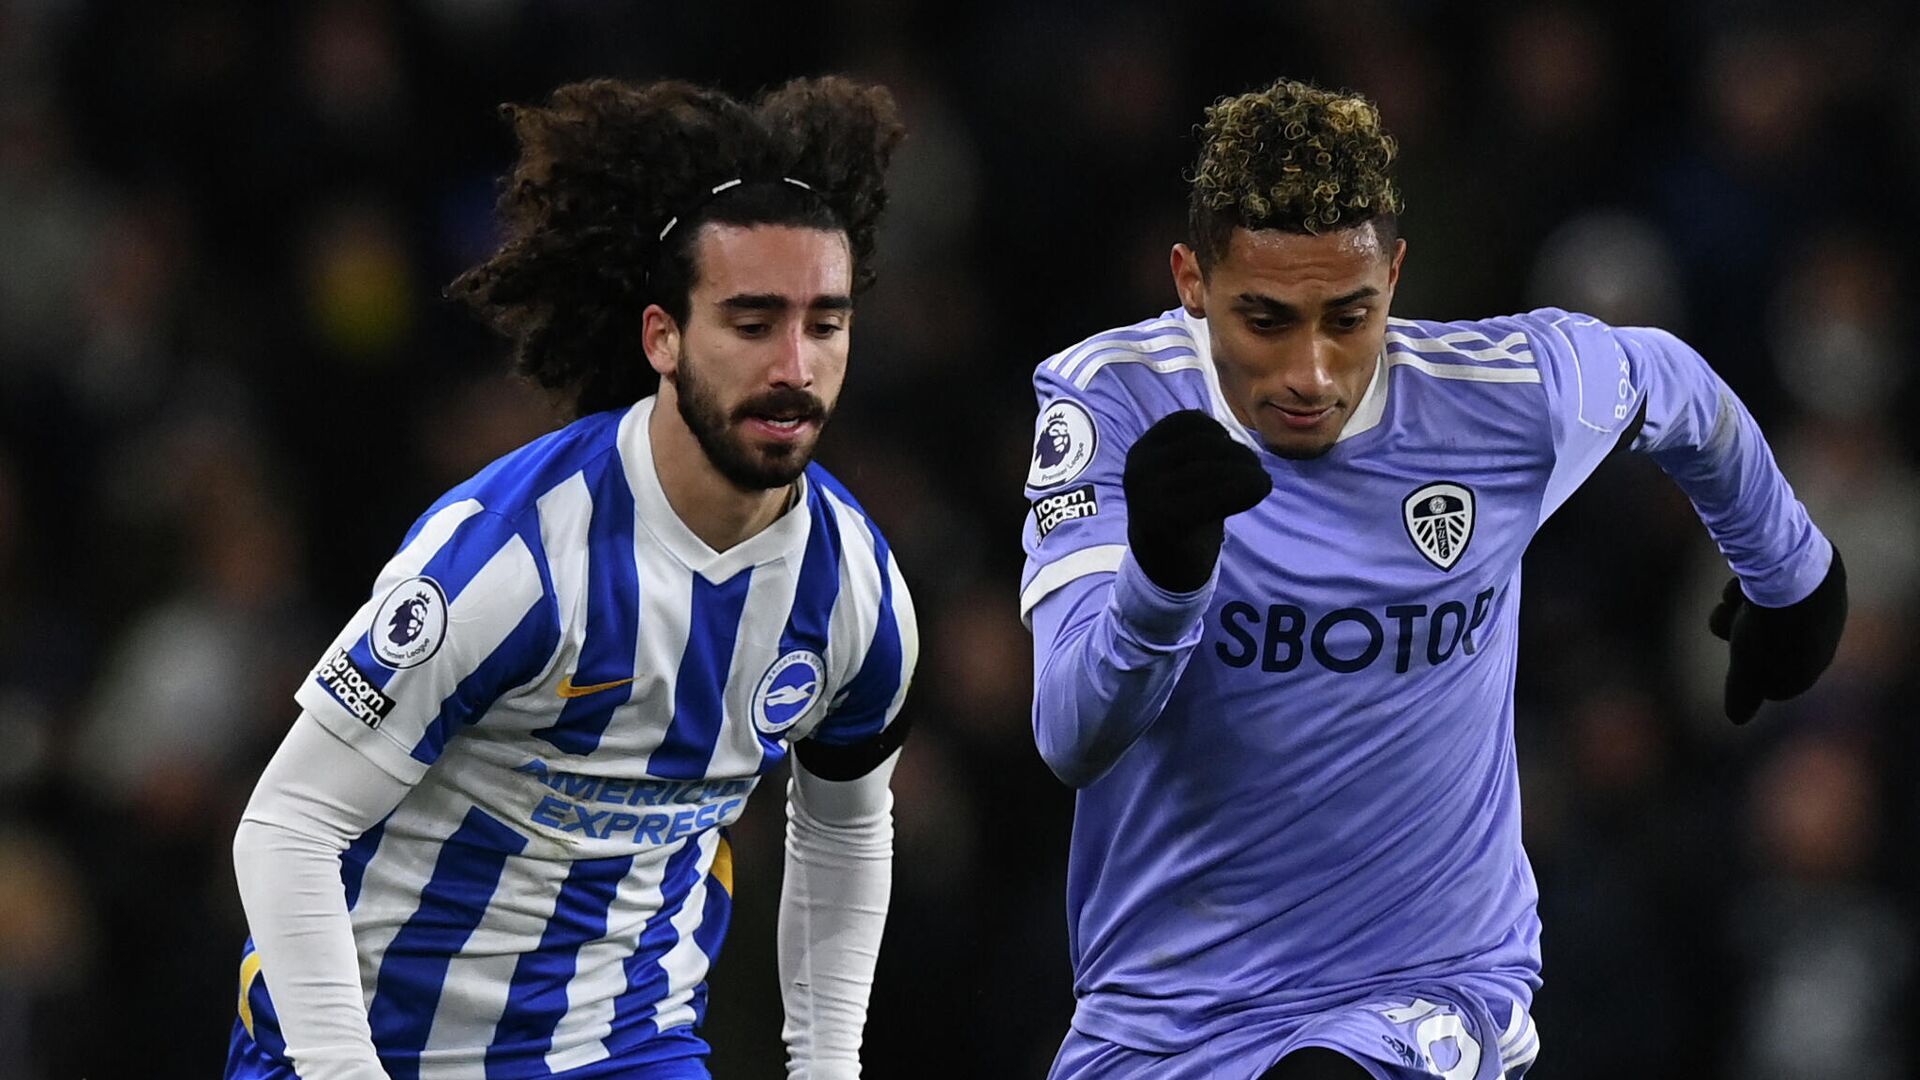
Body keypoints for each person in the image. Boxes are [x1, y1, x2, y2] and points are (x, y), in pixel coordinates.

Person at [1020, 78, 1846, 1080]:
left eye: (1348, 317)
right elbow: (1071, 733)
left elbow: (1674, 387)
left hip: (1423, 993)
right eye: (1267, 320)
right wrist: (1162, 577)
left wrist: (1794, 578)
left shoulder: (1499, 402)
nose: (1312, 373)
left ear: (1396, 277)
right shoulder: (1117, 402)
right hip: (1163, 1017)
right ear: (1193, 281)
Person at [226, 76, 917, 1080]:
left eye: (826, 324)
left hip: (623, 1053)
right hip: (376, 1052)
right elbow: (288, 824)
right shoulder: (512, 556)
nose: (795, 366)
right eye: (753, 321)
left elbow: (846, 832)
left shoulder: (853, 589)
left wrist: (827, 1066)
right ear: (663, 337)